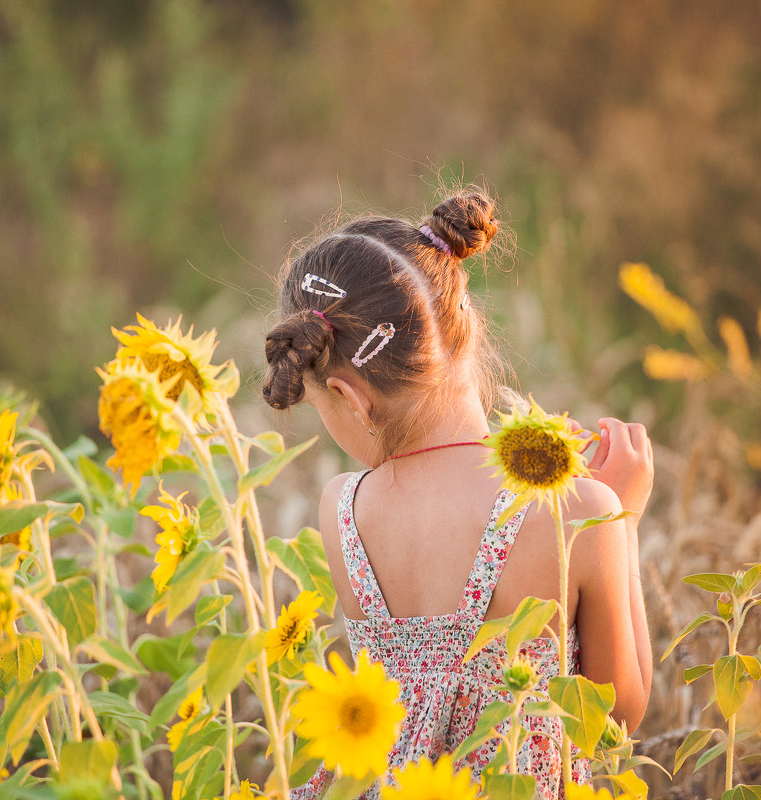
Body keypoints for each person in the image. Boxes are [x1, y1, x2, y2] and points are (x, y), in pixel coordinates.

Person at [262, 191, 653, 798]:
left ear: (349, 396)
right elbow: (613, 720)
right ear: (462, 323)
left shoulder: (343, 509)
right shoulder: (576, 513)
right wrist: (619, 522)